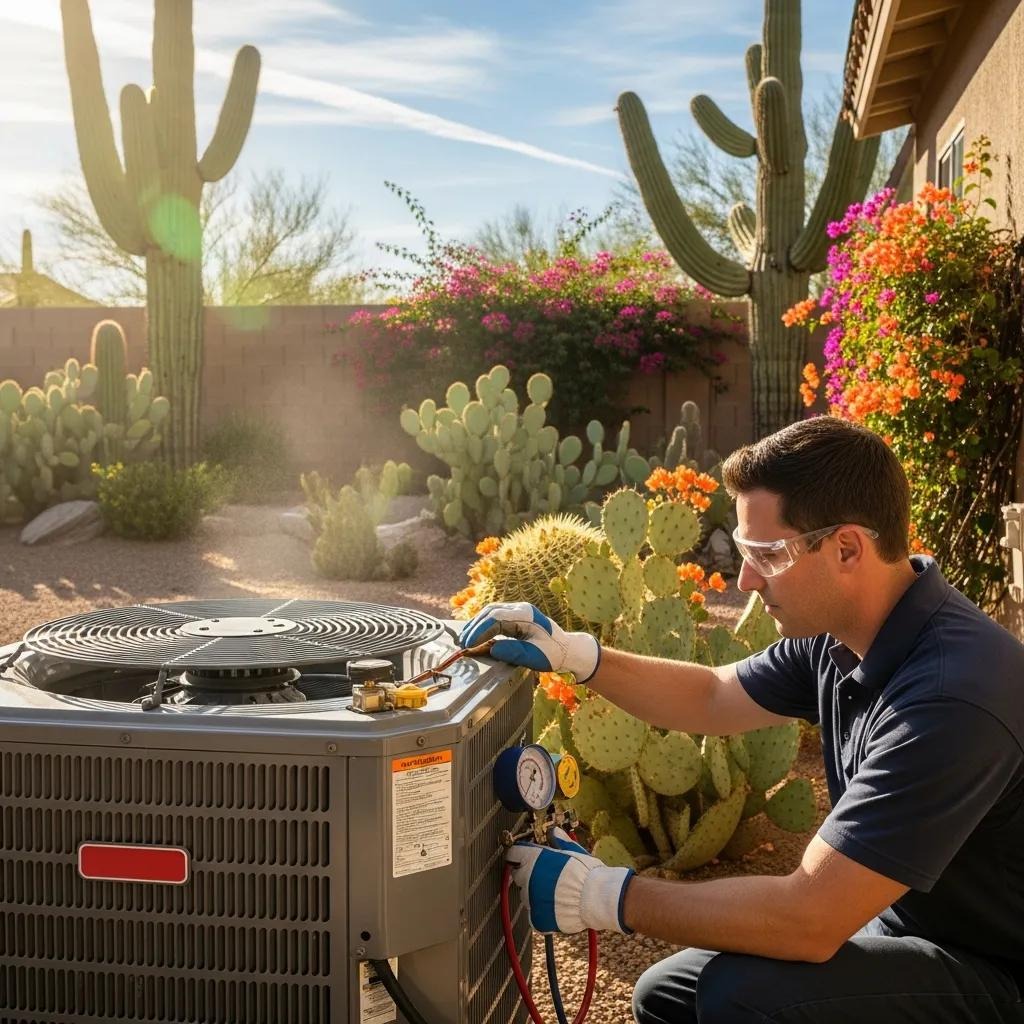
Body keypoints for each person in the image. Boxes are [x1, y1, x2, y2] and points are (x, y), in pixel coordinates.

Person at [457, 416, 1024, 1023]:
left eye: (767, 555)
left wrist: (599, 895)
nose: (745, 579)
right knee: (668, 995)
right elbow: (711, 696)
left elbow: (809, 918)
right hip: (908, 926)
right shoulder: (844, 632)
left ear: (848, 548)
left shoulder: (950, 698)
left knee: (741, 1000)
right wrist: (574, 654)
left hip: (996, 971)